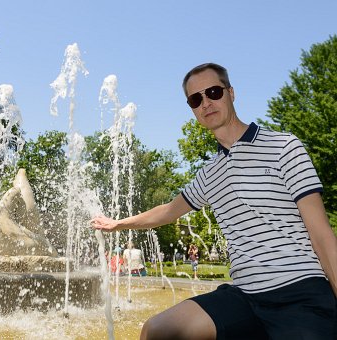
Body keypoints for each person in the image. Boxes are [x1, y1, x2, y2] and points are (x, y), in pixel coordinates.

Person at [91, 63, 337, 339]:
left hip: (299, 289)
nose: (206, 102)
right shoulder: (209, 174)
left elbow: (321, 234)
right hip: (244, 296)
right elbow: (168, 211)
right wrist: (118, 224)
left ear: (231, 93)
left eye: (213, 92)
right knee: (157, 331)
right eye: (196, 99)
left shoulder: (284, 146)